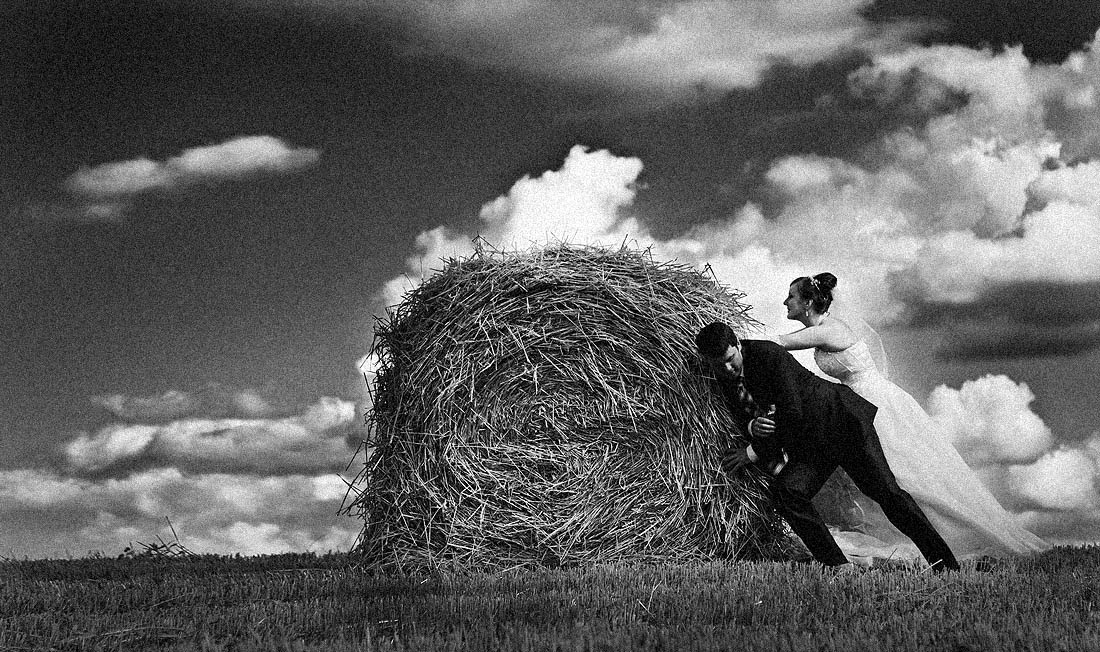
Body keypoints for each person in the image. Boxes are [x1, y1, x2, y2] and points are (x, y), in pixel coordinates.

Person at [767, 273, 1050, 562]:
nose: (785, 301)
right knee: (883, 479)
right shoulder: (823, 330)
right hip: (854, 403)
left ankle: (950, 544)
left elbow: (775, 343)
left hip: (873, 403)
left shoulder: (827, 330)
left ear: (809, 302)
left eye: (791, 296)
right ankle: (927, 545)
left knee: (903, 476)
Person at [695, 321, 960, 572]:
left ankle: (946, 565)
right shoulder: (723, 377)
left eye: (731, 360)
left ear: (738, 345)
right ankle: (837, 565)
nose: (728, 370)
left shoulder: (768, 354)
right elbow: (742, 412)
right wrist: (753, 426)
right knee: (788, 493)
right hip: (810, 443)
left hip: (841, 423)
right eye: (719, 366)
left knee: (887, 494)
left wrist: (752, 452)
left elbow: (793, 413)